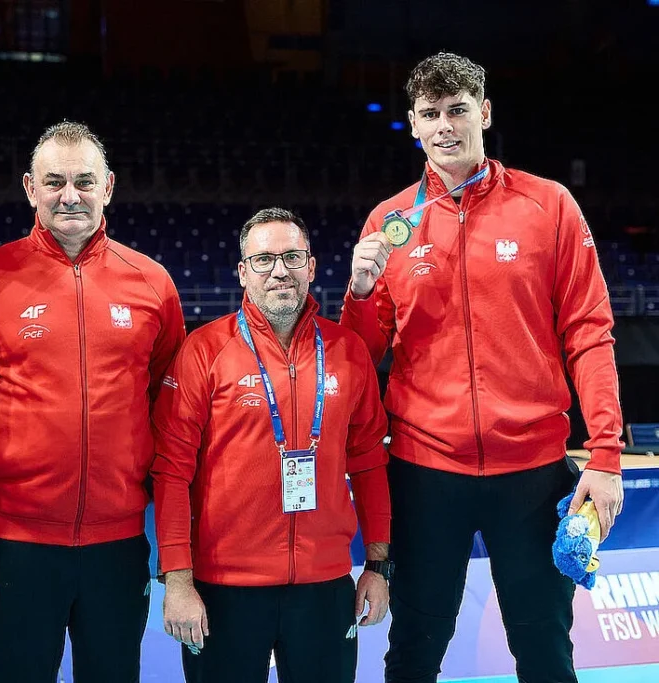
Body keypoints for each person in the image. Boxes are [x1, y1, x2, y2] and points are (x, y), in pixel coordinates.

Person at [341, 52, 624, 683]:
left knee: (545, 651)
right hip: (424, 472)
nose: (445, 126)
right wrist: (358, 294)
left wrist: (606, 455)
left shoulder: (548, 205)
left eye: (458, 110)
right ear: (414, 124)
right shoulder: (390, 222)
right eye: (430, 114)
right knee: (414, 649)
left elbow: (590, 332)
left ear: (485, 113)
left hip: (532, 470)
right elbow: (361, 359)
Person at [0, 121, 186, 683]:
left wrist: (177, 553)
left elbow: (173, 422)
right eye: (54, 182)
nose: (69, 195)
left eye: (84, 181)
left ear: (109, 187)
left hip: (119, 545)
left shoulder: (153, 284)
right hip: (16, 545)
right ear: (30, 188)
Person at [151, 208, 392, 683]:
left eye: (292, 257)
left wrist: (378, 566)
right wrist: (177, 580)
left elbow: (368, 463)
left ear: (311, 266)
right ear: (243, 272)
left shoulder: (347, 351)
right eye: (263, 260)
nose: (279, 270)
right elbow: (171, 471)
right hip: (225, 588)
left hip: (325, 585)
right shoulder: (204, 350)